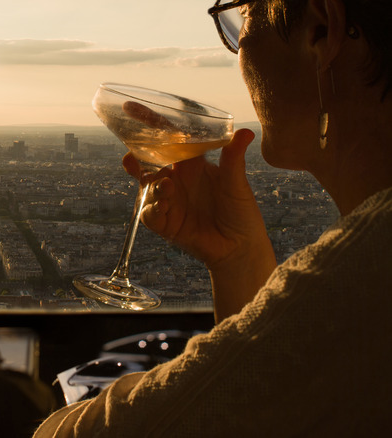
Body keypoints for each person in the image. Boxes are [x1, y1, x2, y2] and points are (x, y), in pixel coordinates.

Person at [35, 0, 392, 435]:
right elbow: (267, 399)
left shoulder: (362, 273)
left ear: (319, 31)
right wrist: (238, 259)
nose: (236, 49)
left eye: (241, 17)